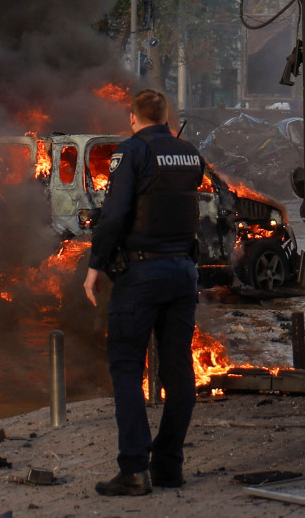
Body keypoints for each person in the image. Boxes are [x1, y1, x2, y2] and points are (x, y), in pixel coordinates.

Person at [83, 88, 204, 496]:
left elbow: (115, 214)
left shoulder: (131, 151)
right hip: (184, 273)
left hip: (141, 274)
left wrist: (95, 265)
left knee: (127, 370)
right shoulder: (190, 153)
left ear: (133, 117)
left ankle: (134, 470)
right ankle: (169, 466)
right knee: (178, 371)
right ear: (165, 116)